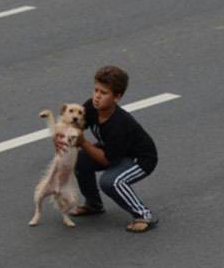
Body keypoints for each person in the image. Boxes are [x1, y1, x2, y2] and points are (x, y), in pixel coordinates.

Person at [64, 65, 159, 233]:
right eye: (96, 90)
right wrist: (63, 136)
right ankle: (94, 204)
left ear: (117, 97)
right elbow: (74, 124)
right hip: (117, 151)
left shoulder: (118, 124)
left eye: (104, 93)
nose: (97, 97)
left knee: (111, 182)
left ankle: (144, 215)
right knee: (78, 159)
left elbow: (107, 160)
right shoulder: (92, 107)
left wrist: (83, 142)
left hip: (140, 160)